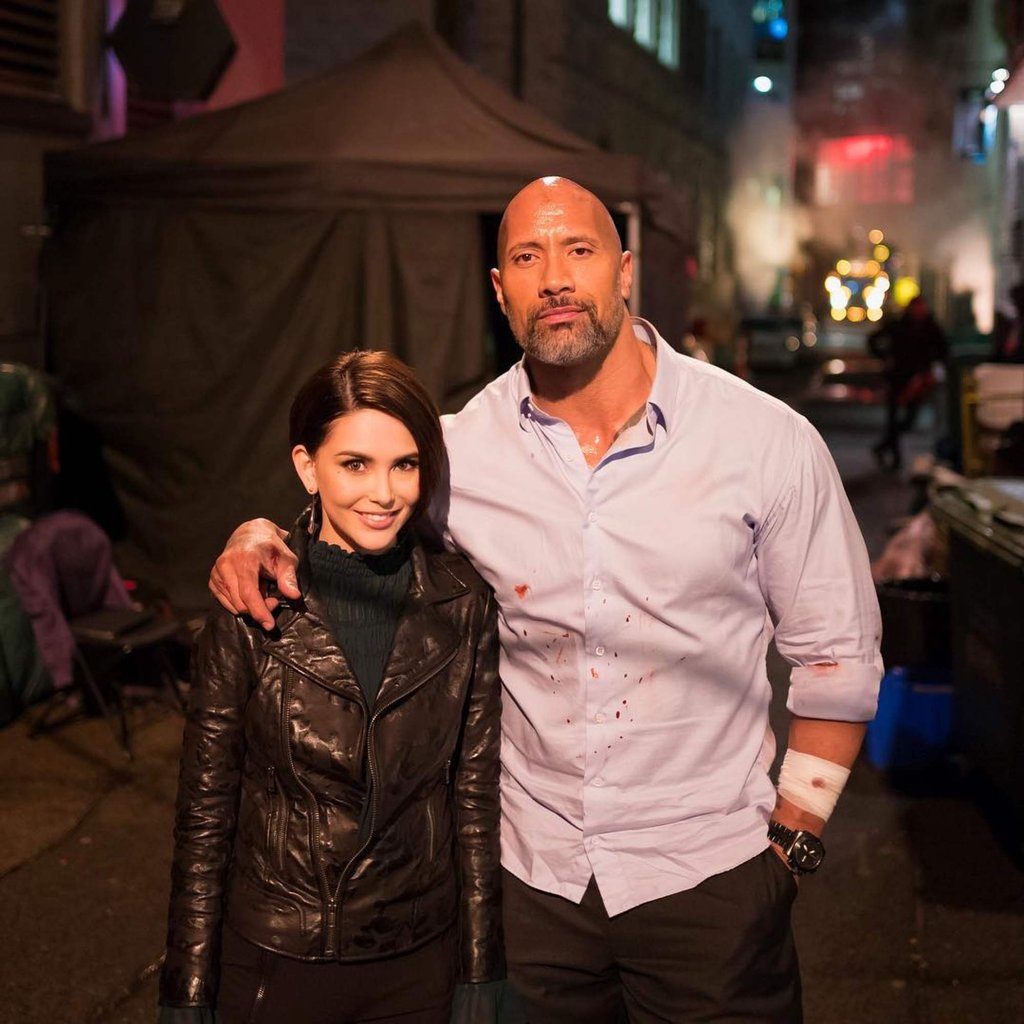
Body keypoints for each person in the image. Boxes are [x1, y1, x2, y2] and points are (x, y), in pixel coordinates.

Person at [210, 178, 882, 1023]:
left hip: (712, 882)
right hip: (530, 892)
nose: (555, 277)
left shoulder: (764, 441)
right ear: (500, 291)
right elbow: (355, 514)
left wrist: (790, 845)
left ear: (625, 271)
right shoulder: (458, 454)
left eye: (580, 251)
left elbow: (838, 659)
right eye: (527, 257)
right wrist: (262, 530)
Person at [159, 351, 504, 1024]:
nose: (384, 492)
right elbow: (205, 814)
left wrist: (480, 968)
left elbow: (473, 800)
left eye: (405, 464)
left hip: (419, 958)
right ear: (305, 465)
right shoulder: (252, 602)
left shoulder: (464, 603)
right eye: (355, 464)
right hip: (278, 959)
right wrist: (188, 985)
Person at [868, 296, 948, 471]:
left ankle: (883, 446)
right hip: (896, 377)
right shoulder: (899, 325)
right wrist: (884, 358)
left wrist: (930, 370)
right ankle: (894, 458)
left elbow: (942, 350)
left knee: (908, 419)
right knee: (893, 417)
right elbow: (873, 339)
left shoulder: (930, 327)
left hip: (916, 380)